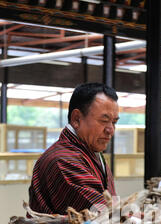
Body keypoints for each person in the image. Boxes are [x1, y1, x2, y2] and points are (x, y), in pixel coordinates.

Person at [29, 82, 119, 214]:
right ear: (76, 119)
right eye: (104, 121)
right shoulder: (62, 160)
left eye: (114, 122)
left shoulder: (92, 152)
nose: (110, 129)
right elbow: (101, 212)